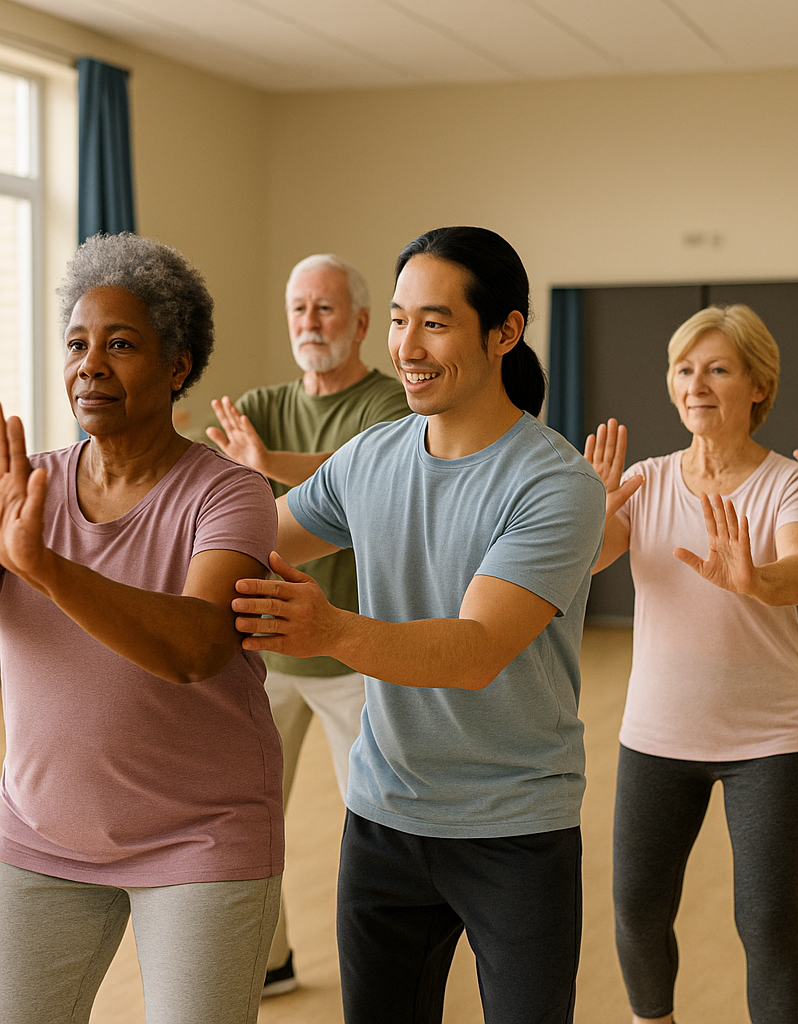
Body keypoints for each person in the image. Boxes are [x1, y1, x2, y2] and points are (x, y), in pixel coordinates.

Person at [230, 226, 606, 1024]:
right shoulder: (373, 457)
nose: (408, 345)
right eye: (400, 320)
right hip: (384, 823)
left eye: (435, 322)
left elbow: (475, 653)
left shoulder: (556, 483)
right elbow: (254, 537)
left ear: (505, 332)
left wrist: (329, 630)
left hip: (514, 829)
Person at [0, 233, 283, 1024]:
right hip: (37, 833)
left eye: (121, 344)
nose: (91, 364)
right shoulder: (27, 486)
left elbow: (195, 648)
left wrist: (46, 567)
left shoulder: (228, 494)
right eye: (78, 344)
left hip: (200, 839)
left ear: (178, 365)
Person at [585, 304, 798, 1024]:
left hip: (770, 738)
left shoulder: (789, 484)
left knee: (768, 923)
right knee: (636, 913)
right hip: (658, 733)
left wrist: (755, 579)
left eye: (718, 368)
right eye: (685, 370)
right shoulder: (647, 480)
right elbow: (593, 561)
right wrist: (593, 515)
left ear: (758, 385)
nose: (697, 384)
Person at [205, 253, 409, 994]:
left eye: (324, 309)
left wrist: (269, 462)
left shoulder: (393, 405)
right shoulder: (256, 404)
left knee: (381, 824)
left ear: (360, 322)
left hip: (357, 657)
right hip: (264, 658)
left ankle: (391, 967)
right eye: (298, 308)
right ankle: (270, 961)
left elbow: (373, 472)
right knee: (242, 820)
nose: (308, 323)